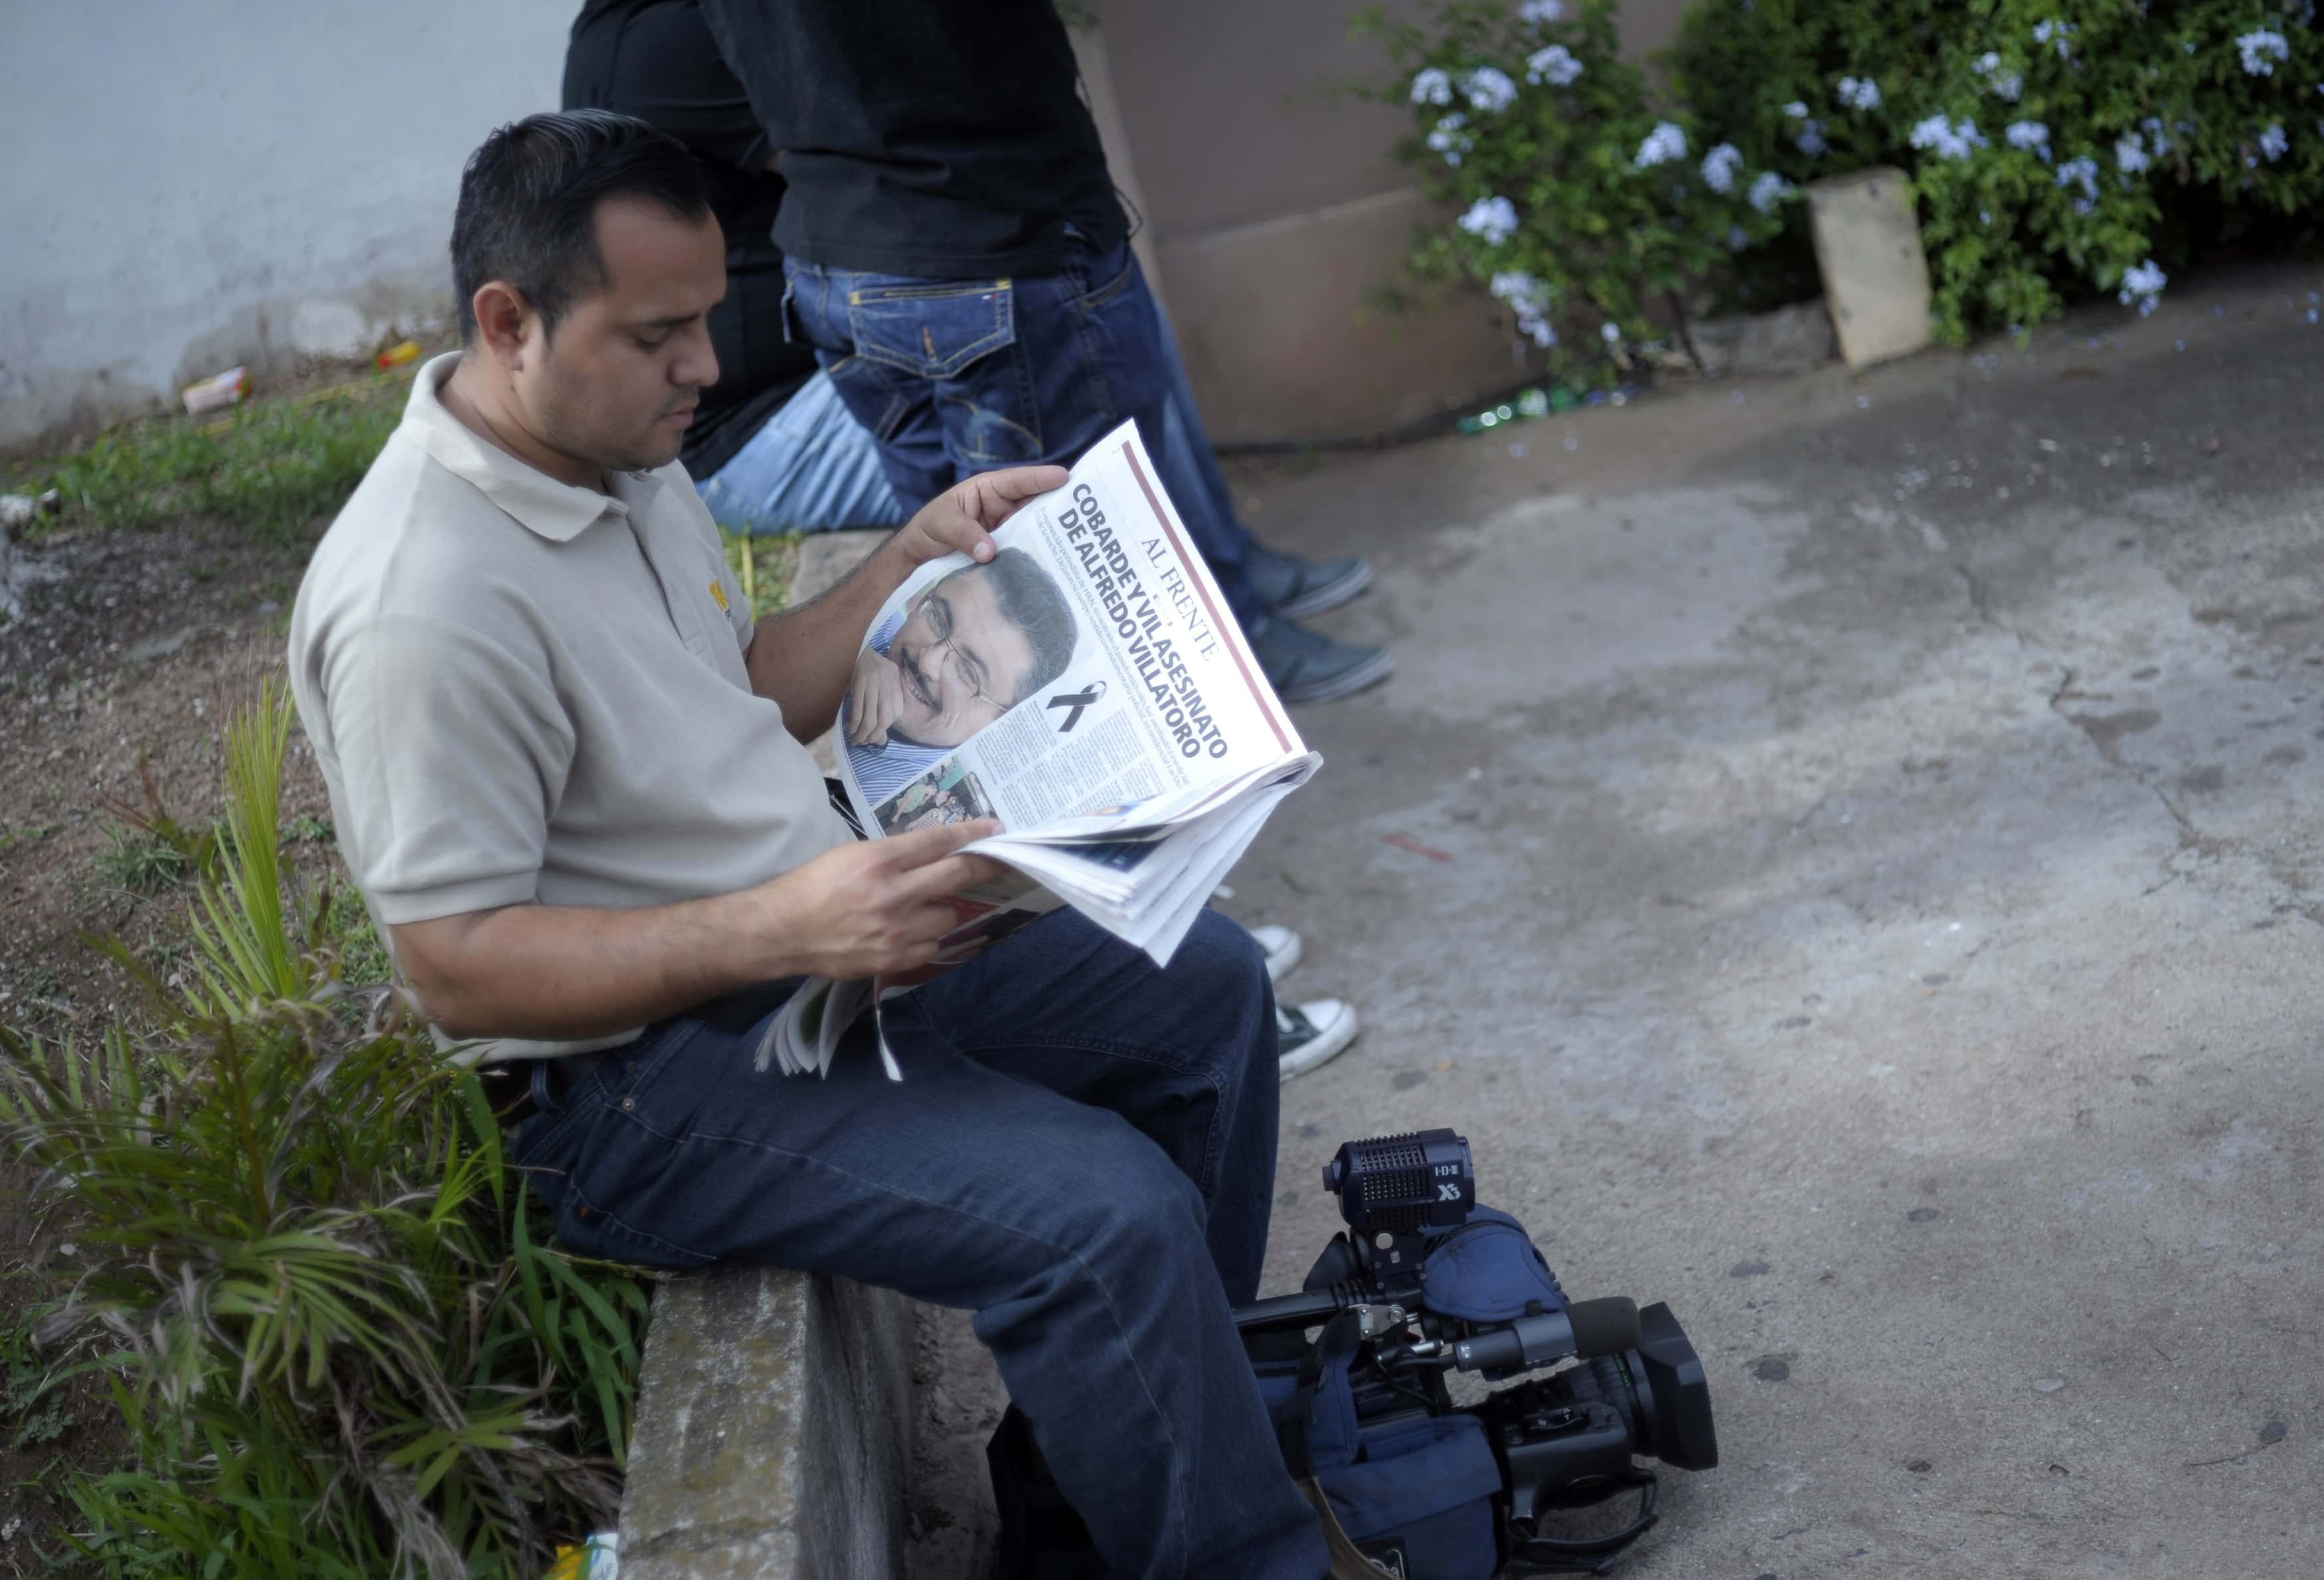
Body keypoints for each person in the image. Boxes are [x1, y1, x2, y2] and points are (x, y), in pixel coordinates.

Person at [286, 114, 1339, 1580]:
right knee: (1105, 1219)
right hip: (636, 1081)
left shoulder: (613, 449)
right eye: (659, 335)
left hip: (802, 950)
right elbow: (457, 969)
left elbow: (738, 688)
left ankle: (1086, 1524)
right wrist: (788, 927)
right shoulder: (421, 604)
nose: (705, 370)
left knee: (1206, 985)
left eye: (706, 320)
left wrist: (910, 555)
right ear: (507, 321)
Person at [580, 0, 1391, 704]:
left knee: (984, 581)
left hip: (853, 265)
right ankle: (1216, 670)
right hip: (978, 244)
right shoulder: (644, 43)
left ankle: (1226, 599)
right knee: (1077, 582)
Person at [842, 548, 1076, 805]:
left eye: (968, 673)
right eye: (937, 621)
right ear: (921, 600)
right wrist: (846, 649)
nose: (928, 662)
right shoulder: (867, 620)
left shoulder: (938, 805)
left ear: (1001, 724)